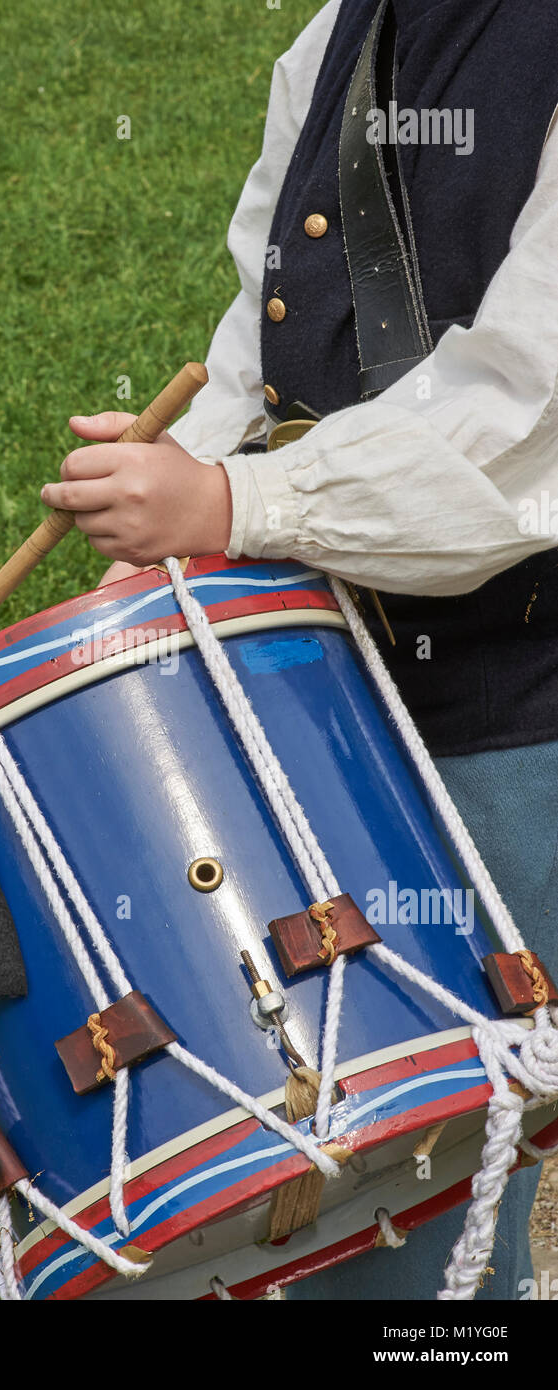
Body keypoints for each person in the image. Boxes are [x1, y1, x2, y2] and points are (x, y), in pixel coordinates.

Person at [41, 0, 558, 1299]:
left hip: (512, 708)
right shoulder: (338, 32)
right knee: (307, 1148)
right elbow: (256, 352)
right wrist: (182, 504)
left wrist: (232, 508)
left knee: (438, 1175)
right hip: (321, 683)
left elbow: (521, 413)